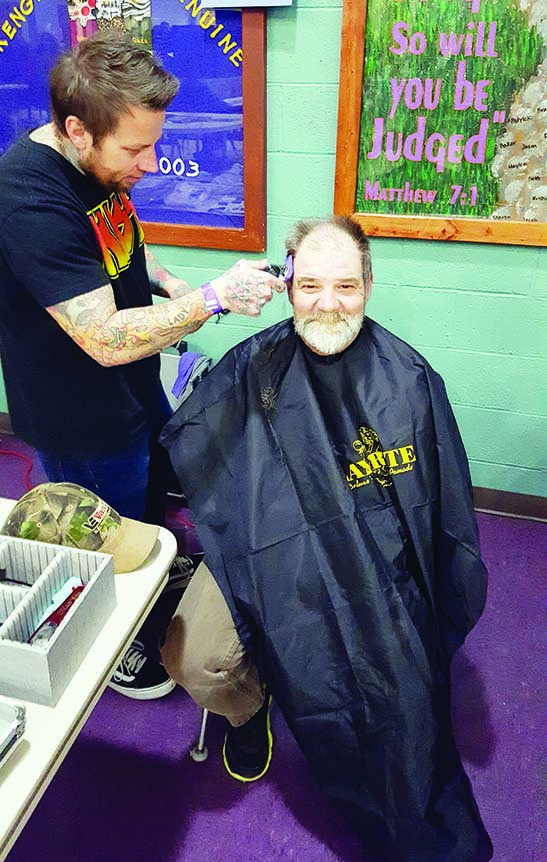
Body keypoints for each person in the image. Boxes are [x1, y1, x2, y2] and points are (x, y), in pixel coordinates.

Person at [159, 216, 493, 862]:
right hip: (269, 553)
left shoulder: (409, 382)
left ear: (368, 284)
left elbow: (439, 518)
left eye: (344, 285)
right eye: (309, 285)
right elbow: (214, 481)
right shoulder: (253, 373)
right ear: (287, 288)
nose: (327, 303)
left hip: (370, 568)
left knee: (390, 686)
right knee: (193, 654)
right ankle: (246, 708)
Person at [0, 32, 284, 700]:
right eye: (134, 150)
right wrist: (213, 301)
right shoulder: (28, 199)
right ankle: (121, 642)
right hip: (81, 410)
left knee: (154, 485)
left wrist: (173, 287)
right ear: (77, 130)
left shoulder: (97, 167)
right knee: (105, 542)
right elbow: (100, 337)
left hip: (132, 380)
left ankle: (152, 569)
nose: (150, 164)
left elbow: (122, 248)